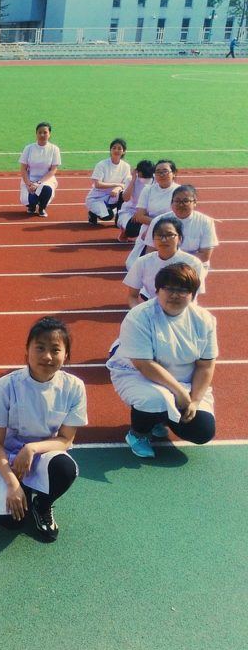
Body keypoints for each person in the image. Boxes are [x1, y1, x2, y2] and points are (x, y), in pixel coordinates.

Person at [0, 318, 85, 542]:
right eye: (40, 348)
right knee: (10, 522)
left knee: (65, 468)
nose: (47, 356)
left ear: (66, 355)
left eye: (55, 349)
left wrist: (32, 448)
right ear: (26, 351)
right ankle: (21, 489)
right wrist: (12, 483)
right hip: (6, 456)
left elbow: (66, 439)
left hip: (42, 455)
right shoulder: (6, 386)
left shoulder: (74, 387)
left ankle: (42, 504)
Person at [107, 263, 217, 457]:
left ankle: (161, 418)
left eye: (182, 290)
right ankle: (138, 433)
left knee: (202, 430)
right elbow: (144, 364)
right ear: (157, 290)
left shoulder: (204, 319)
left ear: (192, 294)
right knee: (154, 399)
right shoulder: (140, 317)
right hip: (137, 372)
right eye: (169, 288)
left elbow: (205, 365)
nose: (175, 294)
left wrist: (195, 400)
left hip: (183, 378)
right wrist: (179, 392)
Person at [123, 218, 206, 306]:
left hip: (183, 310)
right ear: (153, 239)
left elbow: (192, 297)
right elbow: (132, 296)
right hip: (153, 310)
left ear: (180, 238)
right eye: (159, 235)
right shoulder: (142, 262)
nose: (164, 240)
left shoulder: (193, 263)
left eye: (169, 235)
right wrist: (140, 315)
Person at [125, 159, 182, 267]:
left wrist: (156, 227)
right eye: (158, 172)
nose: (161, 174)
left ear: (174, 173)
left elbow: (180, 217)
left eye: (165, 171)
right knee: (131, 266)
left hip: (172, 232)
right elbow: (140, 216)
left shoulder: (180, 191)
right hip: (148, 229)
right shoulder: (148, 190)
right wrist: (153, 228)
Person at [144, 185, 219, 267]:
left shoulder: (206, 222)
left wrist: (176, 264)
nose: (181, 205)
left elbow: (204, 256)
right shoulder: (158, 221)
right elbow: (150, 251)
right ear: (171, 203)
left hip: (193, 266)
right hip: (164, 265)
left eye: (186, 201)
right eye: (177, 201)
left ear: (194, 202)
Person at [85, 138, 131, 225]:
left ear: (124, 151)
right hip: (97, 198)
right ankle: (92, 213)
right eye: (114, 148)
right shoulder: (102, 164)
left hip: (114, 196)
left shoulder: (126, 166)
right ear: (110, 150)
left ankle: (118, 219)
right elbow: (97, 184)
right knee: (108, 216)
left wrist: (117, 188)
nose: (116, 150)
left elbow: (126, 184)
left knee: (124, 195)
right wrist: (116, 184)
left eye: (119, 148)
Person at [18, 122, 61, 217]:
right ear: (36, 134)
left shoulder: (54, 149)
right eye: (39, 132)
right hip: (30, 179)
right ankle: (32, 206)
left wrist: (38, 183)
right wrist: (29, 184)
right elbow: (23, 168)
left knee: (47, 190)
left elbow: (53, 170)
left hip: (46, 179)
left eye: (45, 132)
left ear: (49, 134)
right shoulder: (28, 148)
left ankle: (42, 208)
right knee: (28, 201)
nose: (42, 135)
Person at [117, 159, 155, 241]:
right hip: (131, 211)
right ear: (137, 172)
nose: (145, 179)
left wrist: (141, 212)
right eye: (142, 176)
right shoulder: (130, 179)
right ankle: (125, 231)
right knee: (132, 230)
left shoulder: (156, 180)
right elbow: (126, 198)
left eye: (147, 177)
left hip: (148, 211)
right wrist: (133, 180)